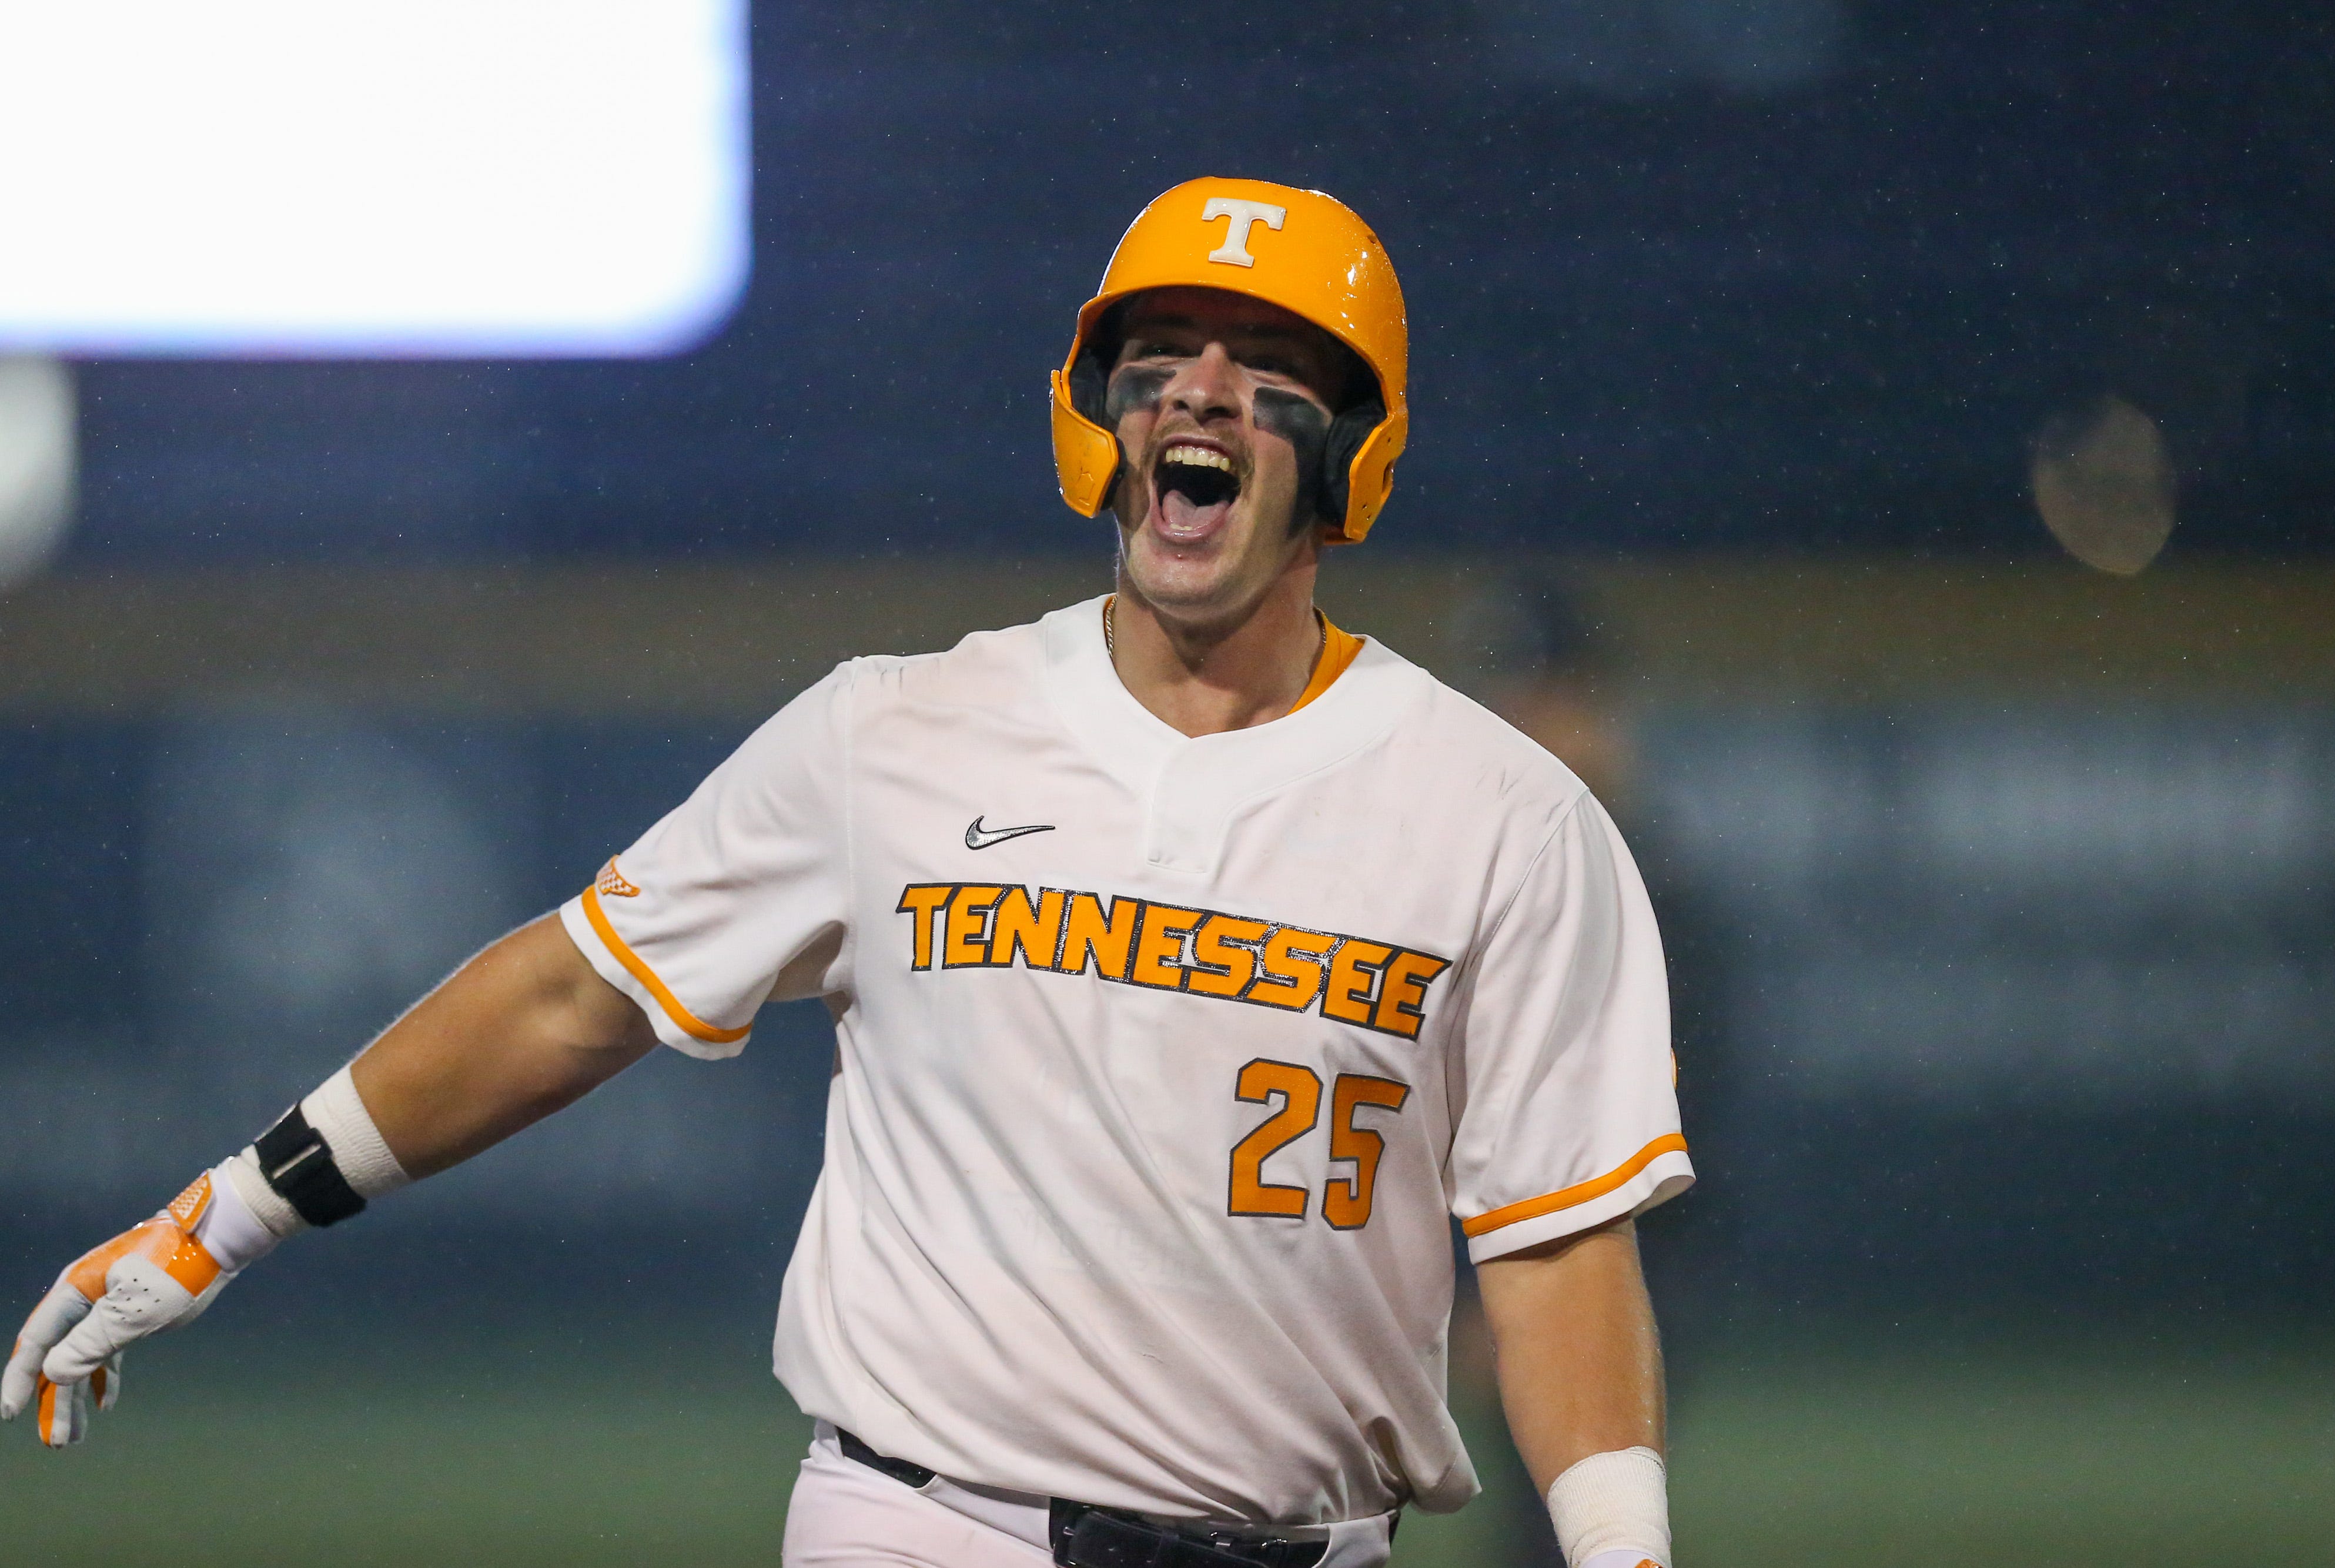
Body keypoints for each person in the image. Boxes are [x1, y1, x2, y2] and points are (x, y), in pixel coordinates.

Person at [5, 178, 1691, 1568]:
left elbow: (1551, 1245)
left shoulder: (1505, 816)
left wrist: (1622, 1552)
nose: (1198, 392)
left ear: (1353, 454)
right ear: (1094, 415)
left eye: (1267, 367)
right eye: (1160, 351)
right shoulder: (898, 733)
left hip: (1310, 1544)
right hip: (923, 1523)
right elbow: (574, 989)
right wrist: (220, 1218)